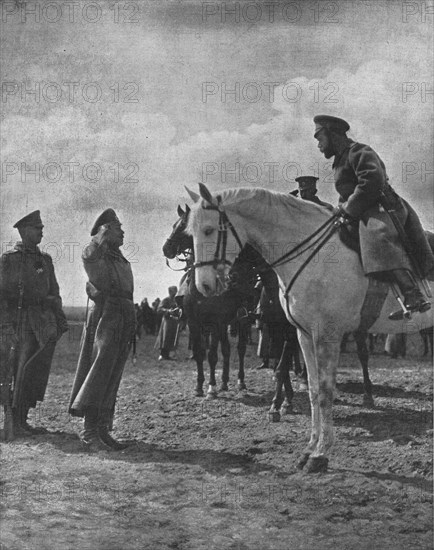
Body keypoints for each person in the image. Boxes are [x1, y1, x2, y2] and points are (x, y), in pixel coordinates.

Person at [313, 114, 433, 320]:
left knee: (377, 235)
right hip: (363, 210)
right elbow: (347, 195)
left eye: (319, 138)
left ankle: (413, 294)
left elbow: (371, 181)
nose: (318, 145)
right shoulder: (340, 160)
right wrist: (340, 210)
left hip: (384, 207)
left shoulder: (359, 151)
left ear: (332, 134)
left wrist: (348, 208)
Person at [69, 209, 135, 451]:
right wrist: (100, 236)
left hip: (122, 315)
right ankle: (89, 432)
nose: (123, 232)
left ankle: (102, 429)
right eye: (118, 228)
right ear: (106, 230)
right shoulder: (95, 252)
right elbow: (89, 257)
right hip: (105, 317)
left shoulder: (117, 257)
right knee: (99, 371)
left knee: (112, 373)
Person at [0, 210, 68, 435]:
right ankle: (14, 421)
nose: (41, 231)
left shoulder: (45, 260)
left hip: (42, 322)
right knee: (18, 370)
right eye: (37, 228)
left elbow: (55, 290)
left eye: (41, 228)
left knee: (36, 371)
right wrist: (6, 326)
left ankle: (23, 418)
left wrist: (59, 319)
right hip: (19, 321)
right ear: (23, 231)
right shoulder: (10, 260)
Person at [156, 286, 180, 360]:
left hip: (174, 321)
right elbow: (159, 309)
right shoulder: (166, 300)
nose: (175, 293)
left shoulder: (176, 301)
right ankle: (162, 354)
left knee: (172, 338)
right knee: (165, 338)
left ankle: (168, 354)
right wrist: (168, 311)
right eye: (174, 291)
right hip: (167, 321)